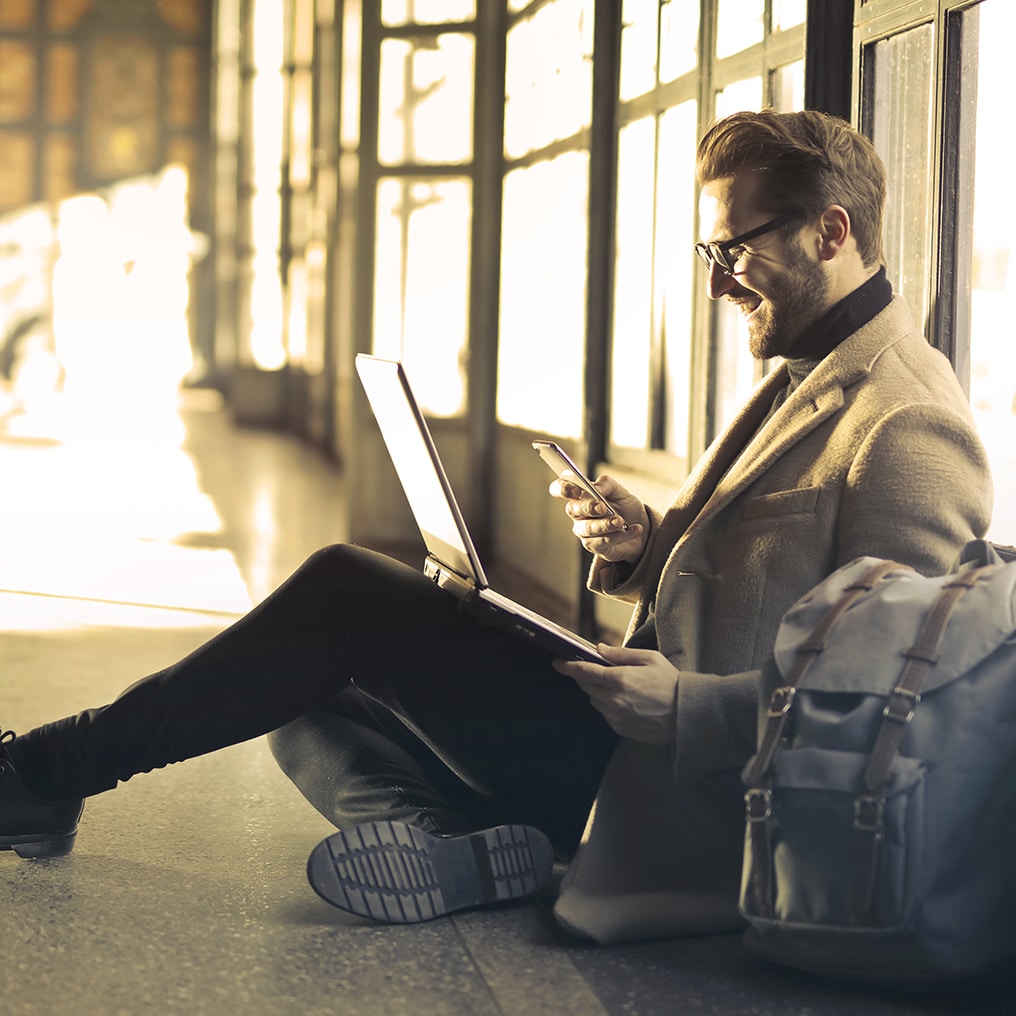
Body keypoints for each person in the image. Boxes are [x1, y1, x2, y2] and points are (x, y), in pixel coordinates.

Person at [0, 110, 992, 941]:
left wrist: (692, 707)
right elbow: (779, 590)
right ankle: (451, 845)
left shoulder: (906, 422)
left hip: (697, 788)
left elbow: (891, 709)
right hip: (634, 737)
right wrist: (648, 547)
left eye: (731, 250)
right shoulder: (806, 376)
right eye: (707, 252)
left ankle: (41, 773)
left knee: (344, 593)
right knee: (294, 683)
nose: (713, 282)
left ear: (828, 232)